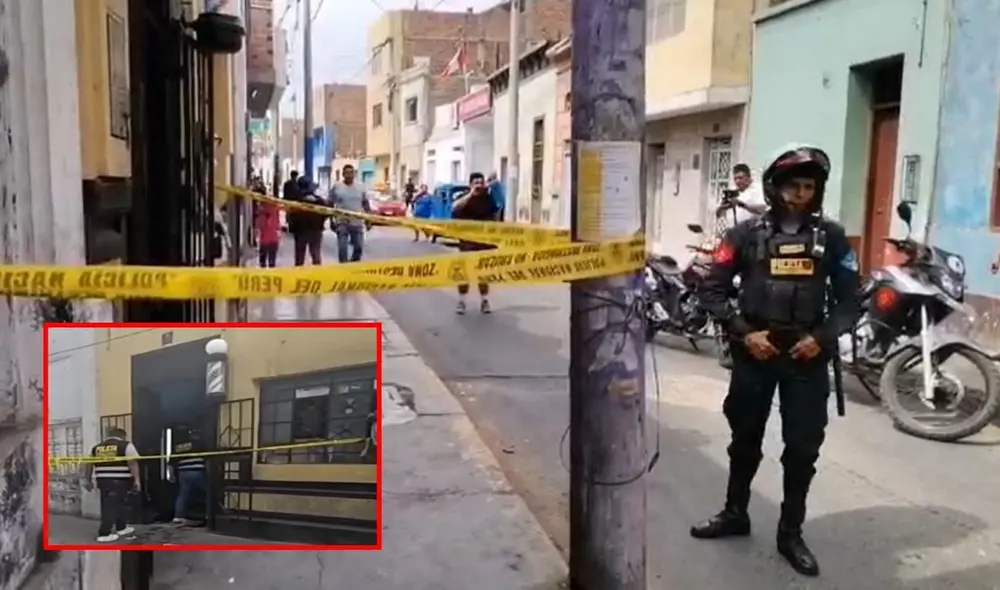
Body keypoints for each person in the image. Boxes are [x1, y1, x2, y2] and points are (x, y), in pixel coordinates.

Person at [691, 145, 860, 577]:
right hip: (755, 352)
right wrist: (745, 333)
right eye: (793, 185)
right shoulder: (743, 235)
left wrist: (820, 339)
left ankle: (790, 533)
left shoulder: (833, 238)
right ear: (774, 187)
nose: (801, 194)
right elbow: (712, 289)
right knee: (744, 439)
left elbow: (849, 301)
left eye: (809, 186)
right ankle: (735, 513)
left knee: (801, 449)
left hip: (806, 356)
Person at [452, 172, 500, 314]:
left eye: (481, 182)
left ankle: (485, 301)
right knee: (464, 274)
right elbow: (454, 208)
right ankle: (461, 301)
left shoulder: (489, 198)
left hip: (484, 243)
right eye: (476, 183)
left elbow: (496, 214)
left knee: (483, 275)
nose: (479, 186)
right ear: (470, 184)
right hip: (467, 243)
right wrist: (470, 194)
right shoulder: (464, 197)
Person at [82, 426, 140, 543]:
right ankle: (104, 533)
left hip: (103, 480)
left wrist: (87, 480)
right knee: (111, 507)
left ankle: (121, 527)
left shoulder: (97, 448)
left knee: (117, 504)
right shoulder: (125, 445)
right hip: (120, 480)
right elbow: (132, 463)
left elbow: (88, 463)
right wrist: (137, 480)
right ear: (122, 435)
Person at [328, 164, 371, 263]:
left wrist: (369, 220)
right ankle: (344, 268)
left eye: (351, 173)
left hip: (357, 222)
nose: (349, 175)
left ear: (354, 174)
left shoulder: (361, 187)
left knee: (359, 247)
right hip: (342, 222)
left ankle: (354, 266)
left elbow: (365, 204)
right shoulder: (337, 187)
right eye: (347, 173)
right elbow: (330, 204)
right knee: (342, 248)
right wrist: (331, 220)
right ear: (343, 174)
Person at [169, 426, 208, 525]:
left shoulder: (179, 446)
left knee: (183, 494)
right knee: (208, 493)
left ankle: (178, 516)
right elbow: (208, 457)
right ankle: (210, 514)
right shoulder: (200, 443)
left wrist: (171, 475)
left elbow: (171, 463)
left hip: (183, 473)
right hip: (197, 471)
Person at [286, 175, 326, 266]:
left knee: (299, 257)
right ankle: (318, 275)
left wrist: (292, 227)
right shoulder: (319, 201)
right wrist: (320, 223)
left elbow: (291, 216)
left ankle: (299, 275)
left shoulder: (297, 201)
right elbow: (326, 213)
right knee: (316, 255)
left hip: (300, 231)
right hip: (315, 230)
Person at [716, 163, 768, 230]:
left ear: (748, 177)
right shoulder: (732, 191)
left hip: (753, 231)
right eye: (735, 178)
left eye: (740, 178)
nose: (737, 181)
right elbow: (718, 215)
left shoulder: (758, 189)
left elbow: (764, 209)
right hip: (733, 231)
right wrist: (723, 207)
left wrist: (743, 205)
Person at [255, 193, 281, 268]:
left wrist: (257, 238)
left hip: (264, 240)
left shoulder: (261, 213)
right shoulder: (275, 210)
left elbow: (258, 226)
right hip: (273, 239)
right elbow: (277, 225)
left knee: (263, 261)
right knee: (272, 261)